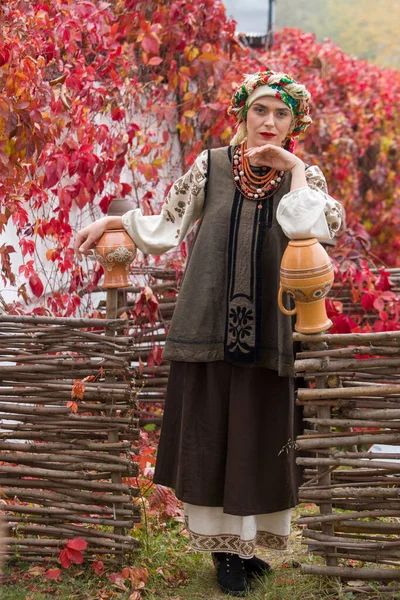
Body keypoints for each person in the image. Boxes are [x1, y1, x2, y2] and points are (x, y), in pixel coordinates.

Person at [75, 70, 342, 597]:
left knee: (258, 430)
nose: (269, 121)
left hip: (273, 323)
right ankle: (224, 554)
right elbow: (166, 227)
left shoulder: (305, 178)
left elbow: (315, 228)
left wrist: (293, 169)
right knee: (214, 426)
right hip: (209, 322)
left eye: (281, 113)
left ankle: (247, 546)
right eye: (260, 110)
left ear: (295, 124)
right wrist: (112, 226)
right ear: (242, 114)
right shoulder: (211, 166)